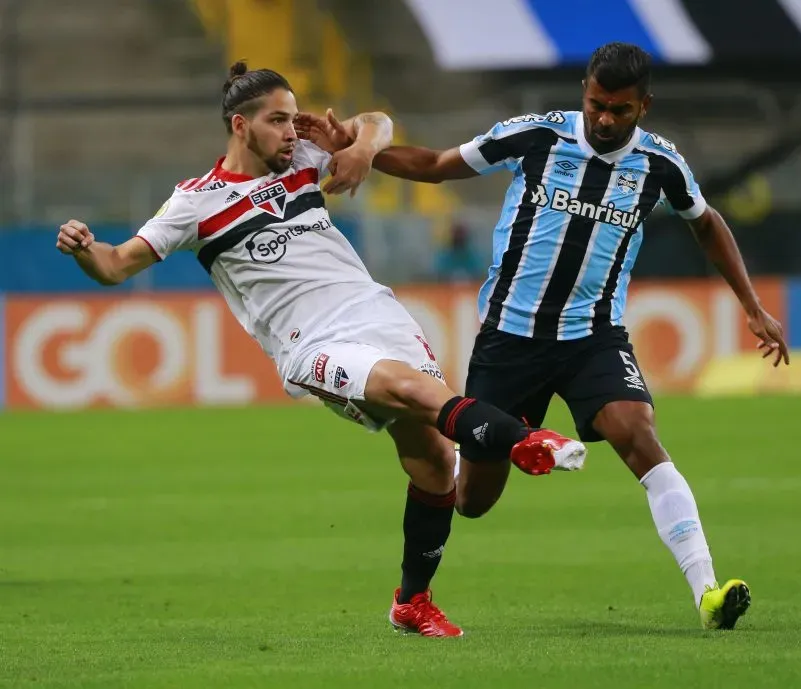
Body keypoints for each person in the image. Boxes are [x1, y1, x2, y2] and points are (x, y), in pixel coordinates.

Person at [55, 61, 586, 638]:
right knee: (411, 390)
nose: (291, 131)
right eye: (277, 120)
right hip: (314, 345)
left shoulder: (306, 159)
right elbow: (115, 264)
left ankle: (412, 602)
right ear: (240, 125)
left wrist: (360, 149)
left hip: (378, 314)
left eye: (293, 117)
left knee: (434, 458)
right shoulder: (195, 203)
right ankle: (524, 438)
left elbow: (377, 120)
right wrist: (86, 249)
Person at [298, 42, 790, 630]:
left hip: (593, 338)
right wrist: (357, 153)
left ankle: (707, 592)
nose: (606, 119)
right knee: (472, 502)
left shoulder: (661, 164)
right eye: (597, 104)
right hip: (510, 340)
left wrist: (752, 305)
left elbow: (705, 223)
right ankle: (460, 454)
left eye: (621, 110)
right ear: (584, 90)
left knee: (639, 433)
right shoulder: (537, 135)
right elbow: (434, 165)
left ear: (644, 107)